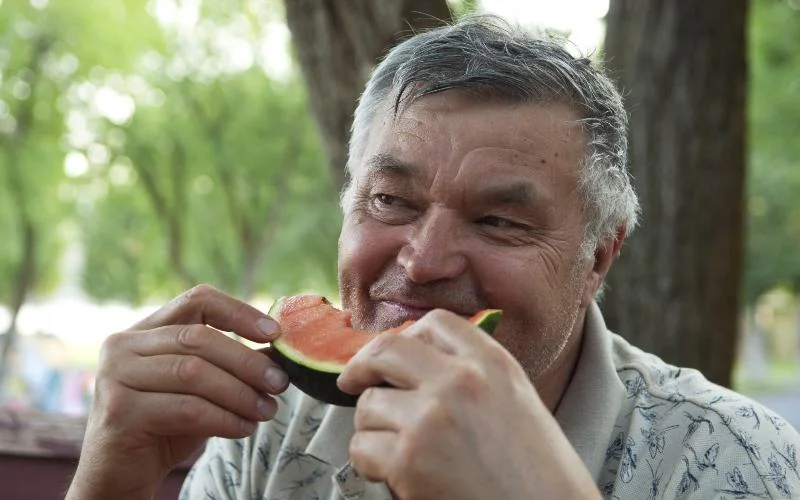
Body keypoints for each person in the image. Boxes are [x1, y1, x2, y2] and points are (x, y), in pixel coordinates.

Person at [67, 16, 800, 500]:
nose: (422, 263)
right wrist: (108, 485)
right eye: (391, 202)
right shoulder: (266, 432)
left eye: (500, 220)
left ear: (598, 259)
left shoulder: (737, 463)